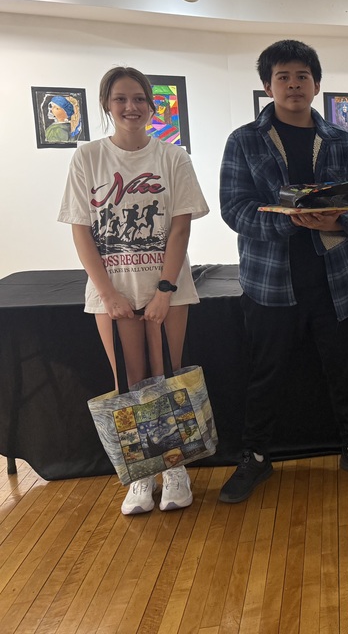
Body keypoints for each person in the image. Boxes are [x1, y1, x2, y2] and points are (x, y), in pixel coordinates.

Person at [218, 39, 348, 503]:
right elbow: (233, 209)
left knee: (345, 369)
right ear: (267, 85)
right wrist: (285, 222)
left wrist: (340, 219)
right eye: (283, 77)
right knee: (265, 373)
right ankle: (255, 457)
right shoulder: (244, 140)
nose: (293, 85)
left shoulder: (341, 140)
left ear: (317, 84)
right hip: (271, 281)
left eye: (302, 76)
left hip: (338, 280)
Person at [58, 66, 209, 515]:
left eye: (140, 98)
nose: (131, 106)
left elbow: (179, 229)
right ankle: (141, 475)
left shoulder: (172, 157)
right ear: (107, 104)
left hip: (167, 289)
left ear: (151, 104)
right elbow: (82, 231)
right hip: (112, 294)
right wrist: (108, 295)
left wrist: (164, 289)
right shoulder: (87, 157)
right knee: (128, 385)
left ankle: (176, 470)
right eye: (121, 98)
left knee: (167, 379)